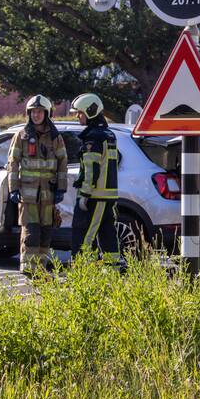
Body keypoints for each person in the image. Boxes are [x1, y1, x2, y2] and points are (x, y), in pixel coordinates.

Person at [7, 95, 68, 275]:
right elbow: (12, 162)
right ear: (29, 113)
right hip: (28, 194)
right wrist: (14, 188)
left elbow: (63, 162)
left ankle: (40, 269)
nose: (36, 115)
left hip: (48, 194)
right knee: (31, 231)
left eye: (39, 112)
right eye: (33, 112)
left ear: (46, 113)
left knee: (46, 232)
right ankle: (28, 268)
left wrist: (61, 188)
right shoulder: (21, 136)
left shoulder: (55, 138)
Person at [70, 92, 122, 269]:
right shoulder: (108, 134)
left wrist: (85, 194)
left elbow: (92, 169)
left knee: (84, 235)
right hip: (108, 197)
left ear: (90, 111)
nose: (78, 116)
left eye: (80, 113)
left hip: (95, 197)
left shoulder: (93, 137)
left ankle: (82, 272)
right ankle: (113, 270)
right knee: (107, 233)